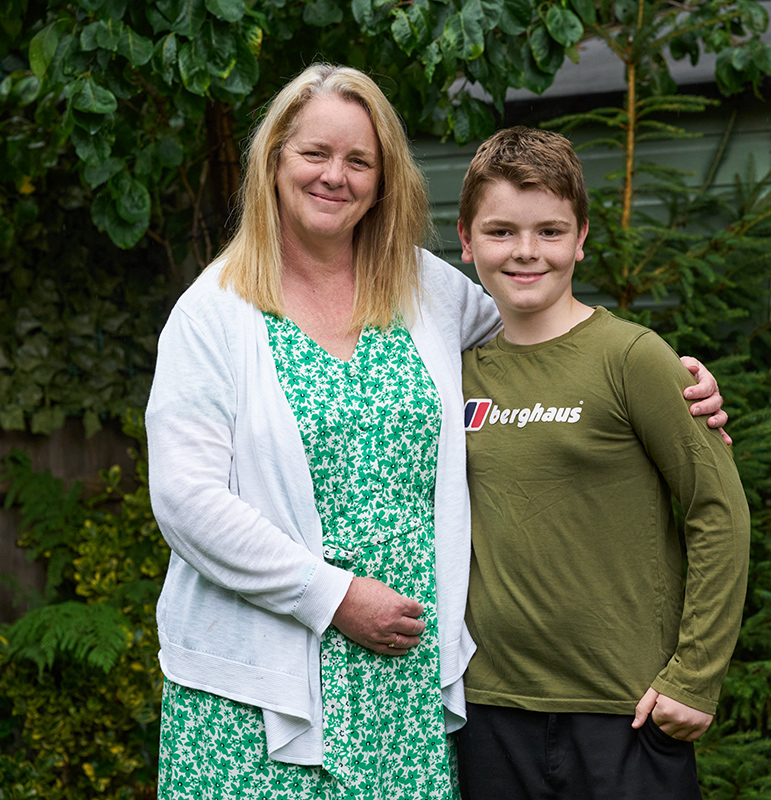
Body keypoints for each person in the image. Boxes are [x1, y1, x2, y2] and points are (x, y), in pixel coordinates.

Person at [146, 65, 726, 799]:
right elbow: (185, 500)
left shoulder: (425, 289)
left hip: (403, 681)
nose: (336, 176)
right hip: (261, 690)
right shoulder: (215, 314)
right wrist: (333, 597)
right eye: (314, 154)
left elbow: (544, 335)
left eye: (360, 161)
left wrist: (671, 380)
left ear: (385, 178)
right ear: (273, 161)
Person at [454, 126, 751, 800]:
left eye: (550, 232)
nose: (526, 252)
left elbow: (718, 510)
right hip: (489, 710)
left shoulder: (632, 358)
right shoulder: (453, 371)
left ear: (581, 238)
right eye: (501, 232)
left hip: (626, 712)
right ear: (467, 240)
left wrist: (695, 678)